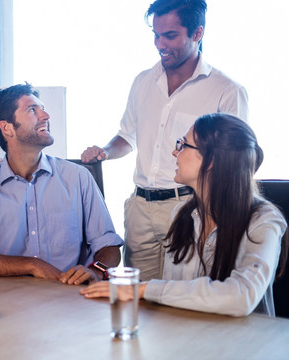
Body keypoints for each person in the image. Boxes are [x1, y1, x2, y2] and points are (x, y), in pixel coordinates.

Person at [81, 0, 249, 281]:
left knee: (182, 301)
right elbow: (127, 135)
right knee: (140, 298)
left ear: (197, 33)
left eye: (170, 36)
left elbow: (236, 160)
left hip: (189, 208)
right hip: (140, 208)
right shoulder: (143, 81)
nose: (160, 44)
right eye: (156, 35)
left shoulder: (226, 90)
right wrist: (105, 151)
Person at [81, 113, 288, 317]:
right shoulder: (181, 214)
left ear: (211, 159)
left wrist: (143, 289)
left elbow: (242, 296)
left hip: (244, 345)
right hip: (187, 336)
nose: (174, 152)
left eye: (183, 145)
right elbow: (176, 295)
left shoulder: (263, 221)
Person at [0, 84, 123, 284]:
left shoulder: (78, 177)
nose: (46, 115)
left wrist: (97, 271)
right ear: (7, 128)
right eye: (33, 110)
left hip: (71, 298)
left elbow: (108, 246)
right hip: (11, 302)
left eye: (42, 108)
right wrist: (32, 265)